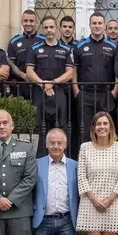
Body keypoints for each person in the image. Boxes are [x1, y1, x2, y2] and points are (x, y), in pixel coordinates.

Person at [26, 15, 75, 149]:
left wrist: (52, 83)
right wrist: (43, 84)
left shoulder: (66, 49)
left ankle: (61, 156)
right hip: (39, 92)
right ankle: (39, 156)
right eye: (46, 27)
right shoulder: (35, 49)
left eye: (51, 27)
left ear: (57, 28)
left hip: (59, 92)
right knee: (38, 127)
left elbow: (69, 73)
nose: (49, 30)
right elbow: (29, 71)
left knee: (61, 126)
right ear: (42, 29)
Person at [73, 12, 118, 144]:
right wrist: (76, 91)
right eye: (94, 23)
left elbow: (117, 71)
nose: (97, 26)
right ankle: (84, 157)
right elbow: (74, 69)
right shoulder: (80, 46)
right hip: (85, 94)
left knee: (106, 131)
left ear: (104, 26)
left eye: (99, 23)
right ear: (90, 25)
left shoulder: (112, 47)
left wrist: (115, 91)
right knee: (85, 132)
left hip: (105, 94)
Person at [7, 8, 44, 87]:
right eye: (25, 21)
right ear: (21, 22)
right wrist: (22, 75)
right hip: (20, 84)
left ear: (36, 23)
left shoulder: (44, 40)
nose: (28, 23)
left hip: (40, 84)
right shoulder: (14, 41)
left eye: (31, 21)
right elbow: (11, 64)